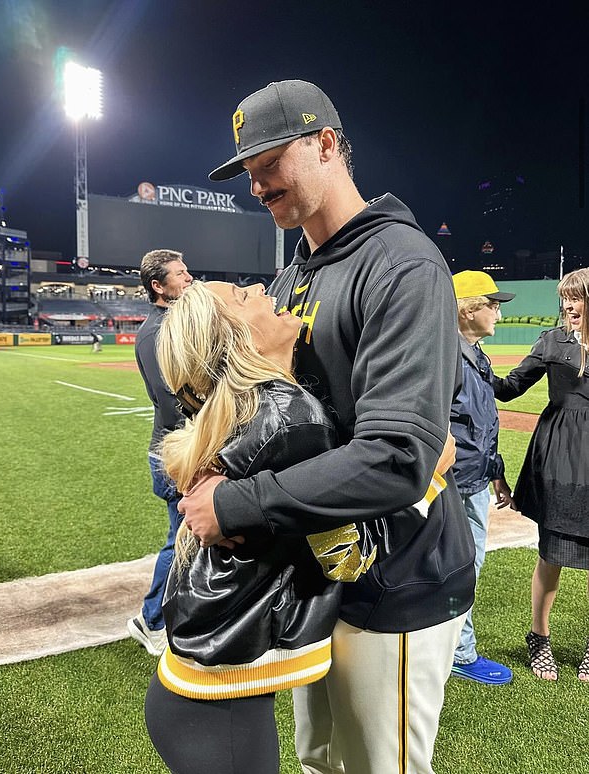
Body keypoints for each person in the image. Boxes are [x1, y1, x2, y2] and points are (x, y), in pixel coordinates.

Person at [179, 79, 476, 774]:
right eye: (249, 172)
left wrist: (236, 502)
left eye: (269, 163)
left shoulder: (399, 261)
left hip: (397, 578)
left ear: (326, 144)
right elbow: (273, 419)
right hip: (314, 572)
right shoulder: (288, 282)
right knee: (318, 763)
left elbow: (399, 456)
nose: (256, 184)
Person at [144, 280, 454, 774]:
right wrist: (426, 478)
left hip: (198, 689)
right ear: (240, 340)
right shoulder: (293, 420)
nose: (261, 287)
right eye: (243, 297)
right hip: (218, 705)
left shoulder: (253, 410)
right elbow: (346, 556)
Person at [493, 267, 589, 682]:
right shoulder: (553, 341)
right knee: (552, 552)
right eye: (565, 297)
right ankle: (539, 637)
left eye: (577, 297)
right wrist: (469, 363)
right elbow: (511, 387)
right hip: (560, 456)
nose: (568, 305)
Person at [448, 270, 516, 685]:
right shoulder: (445, 356)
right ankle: (459, 652)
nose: (498, 314)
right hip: (450, 486)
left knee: (464, 565)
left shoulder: (476, 354)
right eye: (492, 305)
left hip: (474, 480)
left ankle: (450, 645)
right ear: (468, 309)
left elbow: (484, 423)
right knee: (462, 566)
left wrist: (497, 475)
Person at [126, 249, 192, 656]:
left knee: (190, 539)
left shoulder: (174, 322)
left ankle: (174, 613)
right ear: (158, 285)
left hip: (182, 447)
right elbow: (171, 401)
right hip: (175, 451)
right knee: (181, 539)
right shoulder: (156, 332)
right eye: (180, 273)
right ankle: (150, 621)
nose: (188, 277)